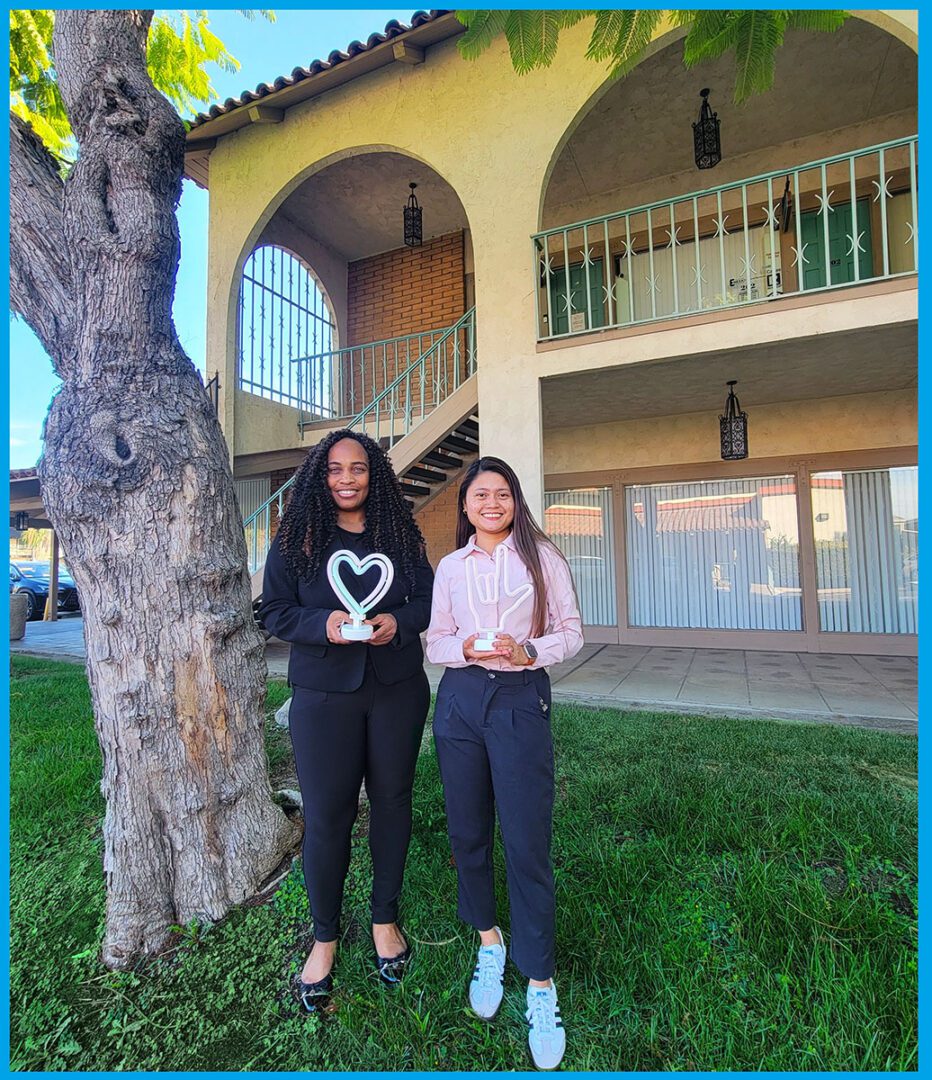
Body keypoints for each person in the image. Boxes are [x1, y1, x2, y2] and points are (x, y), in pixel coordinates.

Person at [260, 429, 434, 1013]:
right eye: (334, 469)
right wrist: (324, 626)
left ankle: (386, 920)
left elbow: (429, 600)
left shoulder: (400, 535)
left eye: (357, 468)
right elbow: (275, 610)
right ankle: (325, 937)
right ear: (320, 475)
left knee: (391, 803)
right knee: (328, 815)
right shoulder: (297, 537)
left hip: (396, 689)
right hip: (324, 697)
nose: (346, 479)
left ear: (374, 474)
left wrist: (399, 625)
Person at [426, 456, 583, 1070]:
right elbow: (435, 640)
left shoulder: (543, 559)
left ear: (515, 501)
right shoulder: (451, 568)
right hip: (461, 699)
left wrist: (530, 648)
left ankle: (540, 982)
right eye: (480, 494)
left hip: (519, 698)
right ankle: (490, 941)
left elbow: (571, 631)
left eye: (502, 493)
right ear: (464, 506)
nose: (491, 503)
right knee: (468, 833)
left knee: (525, 840)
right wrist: (461, 646)